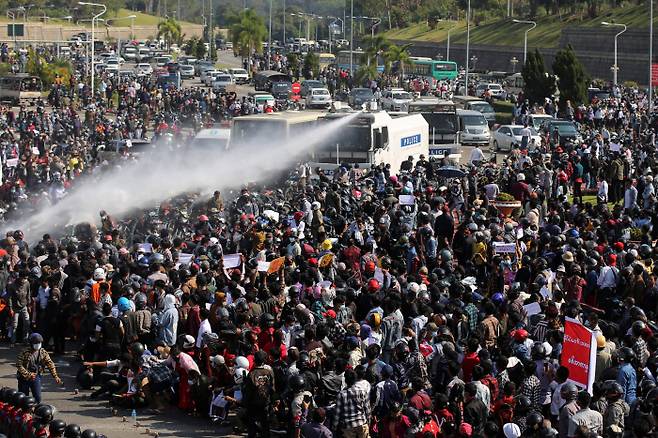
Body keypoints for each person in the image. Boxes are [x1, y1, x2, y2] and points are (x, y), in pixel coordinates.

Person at [16, 333, 62, 403]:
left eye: (39, 343)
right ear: (31, 343)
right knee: (23, 398)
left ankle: (36, 411)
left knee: (38, 398)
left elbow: (50, 363)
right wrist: (28, 374)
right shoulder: (24, 352)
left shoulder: (43, 352)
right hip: (24, 378)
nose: (38, 344)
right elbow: (18, 364)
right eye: (35, 343)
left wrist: (55, 376)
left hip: (36, 376)